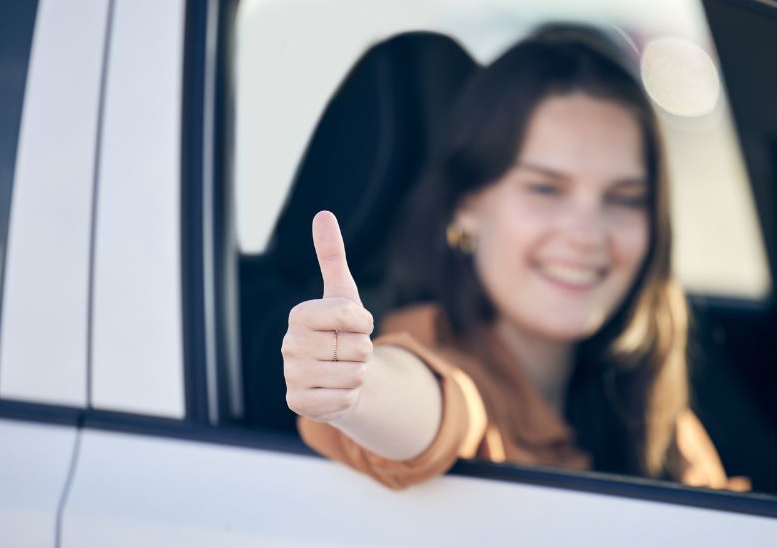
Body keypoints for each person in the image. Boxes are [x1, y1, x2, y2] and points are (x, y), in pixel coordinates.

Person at [282, 24, 749, 491]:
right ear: (466, 207)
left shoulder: (649, 408)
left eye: (625, 198)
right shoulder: (446, 371)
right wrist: (354, 385)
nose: (587, 235)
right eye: (545, 189)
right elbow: (433, 406)